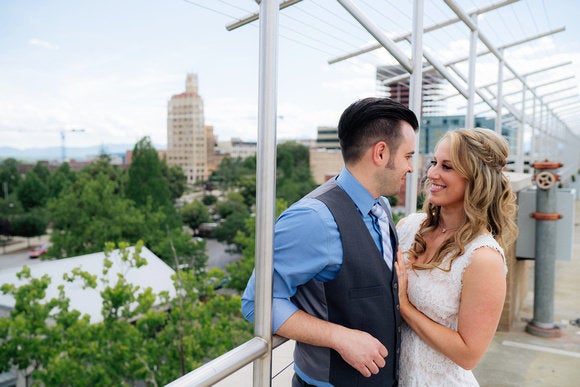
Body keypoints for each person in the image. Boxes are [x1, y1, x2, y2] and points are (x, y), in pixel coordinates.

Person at [242, 97, 419, 386]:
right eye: (408, 156)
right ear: (381, 153)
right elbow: (257, 302)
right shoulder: (312, 219)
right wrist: (339, 337)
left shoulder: (382, 207)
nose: (411, 168)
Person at [394, 128, 519, 386]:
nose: (432, 173)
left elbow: (468, 354)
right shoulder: (408, 227)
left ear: (477, 178)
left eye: (447, 167)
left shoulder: (483, 258)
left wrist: (404, 307)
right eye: (434, 163)